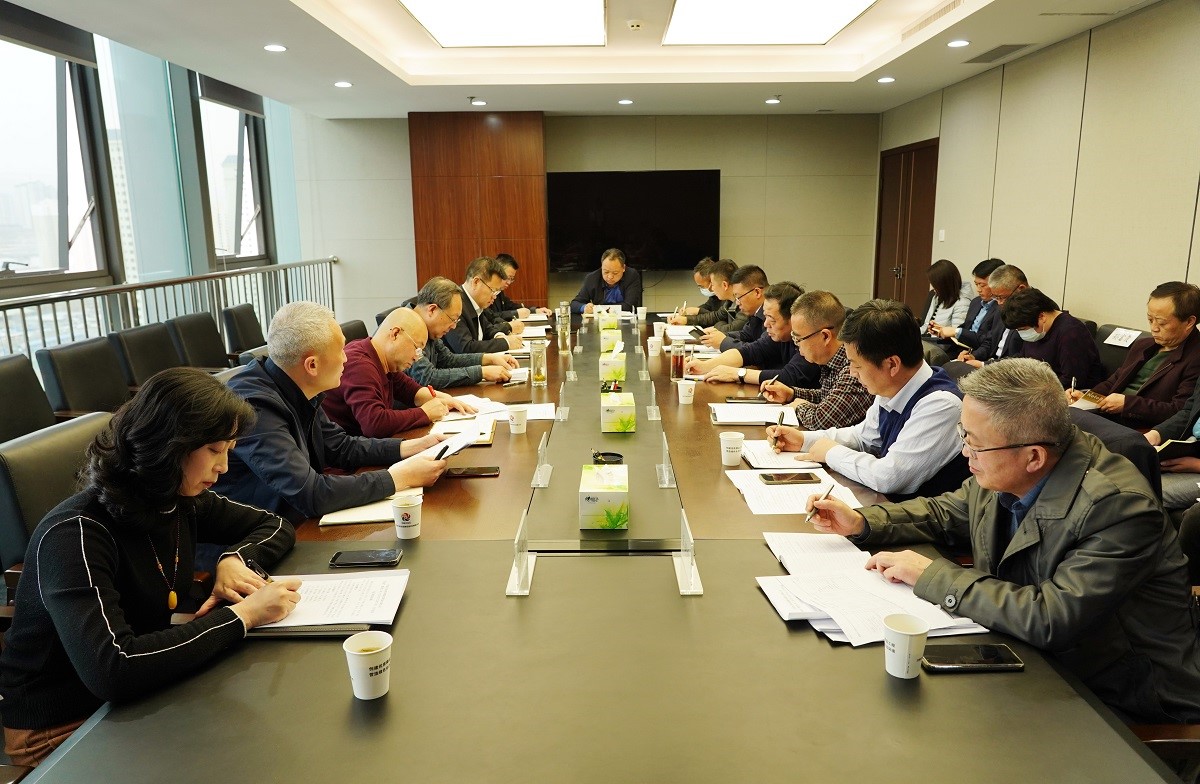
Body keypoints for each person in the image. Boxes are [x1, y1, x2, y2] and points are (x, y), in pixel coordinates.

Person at [807, 358, 1200, 724]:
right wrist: (862, 521)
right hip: (1037, 661)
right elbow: (947, 511)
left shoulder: (1117, 508)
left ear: (1034, 457)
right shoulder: (1009, 466)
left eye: (975, 443)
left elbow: (1051, 617)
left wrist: (932, 575)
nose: (965, 451)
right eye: (963, 434)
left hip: (1124, 694)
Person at [0, 368, 302, 766]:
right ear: (170, 446)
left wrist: (235, 559)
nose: (224, 467)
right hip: (64, 724)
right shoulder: (75, 533)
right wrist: (243, 616)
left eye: (229, 449)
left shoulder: (176, 497)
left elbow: (275, 524)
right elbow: (113, 668)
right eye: (215, 450)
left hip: (139, 690)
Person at [215, 301, 447, 522]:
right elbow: (310, 493)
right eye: (340, 350)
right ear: (312, 365)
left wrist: (413, 446)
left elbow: (340, 446)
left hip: (291, 520)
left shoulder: (299, 385)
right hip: (256, 537)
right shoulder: (255, 406)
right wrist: (400, 477)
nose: (346, 358)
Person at [766, 299, 968, 500]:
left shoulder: (941, 406)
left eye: (856, 365)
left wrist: (831, 452)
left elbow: (889, 476)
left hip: (918, 517)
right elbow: (862, 438)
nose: (851, 373)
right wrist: (804, 440)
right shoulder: (893, 387)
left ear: (892, 364)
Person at [323, 307, 475, 438]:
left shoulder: (383, 359)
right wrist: (425, 413)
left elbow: (411, 391)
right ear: (395, 334)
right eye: (417, 348)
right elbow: (374, 424)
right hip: (347, 455)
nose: (417, 357)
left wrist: (446, 400)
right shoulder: (360, 364)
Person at [1071, 281, 1200, 429]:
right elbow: (1114, 381)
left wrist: (1128, 404)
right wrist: (1086, 398)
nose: (1154, 328)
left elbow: (1179, 412)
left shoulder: (1195, 358)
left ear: (1189, 322)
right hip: (1108, 417)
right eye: (1150, 319)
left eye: (1161, 323)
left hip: (1141, 427)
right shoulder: (1143, 345)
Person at [760, 290, 874, 430]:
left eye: (799, 338)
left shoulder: (853, 368)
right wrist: (792, 394)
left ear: (825, 336)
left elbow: (822, 420)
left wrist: (799, 406)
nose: (796, 344)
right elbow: (828, 397)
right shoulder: (832, 361)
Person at [685, 283, 819, 389]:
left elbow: (790, 377)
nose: (765, 324)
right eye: (765, 317)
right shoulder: (778, 336)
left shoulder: (810, 341)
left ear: (793, 319)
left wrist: (738, 374)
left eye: (772, 319)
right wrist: (705, 366)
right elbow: (749, 351)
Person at [404, 276, 518, 389]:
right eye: (452, 319)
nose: (454, 326)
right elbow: (426, 377)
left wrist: (490, 359)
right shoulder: (407, 328)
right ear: (432, 310)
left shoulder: (428, 328)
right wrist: (481, 372)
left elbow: (448, 360)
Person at [1002, 288, 1105, 389]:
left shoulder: (1071, 333)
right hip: (1037, 387)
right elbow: (1023, 359)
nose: (1022, 333)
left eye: (1023, 329)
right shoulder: (1038, 329)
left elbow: (1071, 380)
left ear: (1041, 316)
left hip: (1066, 393)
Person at [950, 263, 1029, 370]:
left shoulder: (1033, 312)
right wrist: (973, 356)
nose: (999, 303)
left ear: (1021, 289)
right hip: (990, 364)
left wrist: (984, 365)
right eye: (996, 298)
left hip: (1009, 371)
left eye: (1002, 297)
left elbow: (1021, 358)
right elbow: (989, 342)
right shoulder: (1002, 306)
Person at [443, 256, 523, 355]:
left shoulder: (475, 302)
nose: (494, 296)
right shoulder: (455, 303)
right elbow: (466, 348)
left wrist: (499, 336)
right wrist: (505, 343)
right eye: (493, 290)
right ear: (476, 282)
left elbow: (487, 329)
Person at [928, 258, 1005, 350]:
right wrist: (942, 331)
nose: (978, 290)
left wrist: (955, 331)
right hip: (962, 349)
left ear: (996, 284)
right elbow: (964, 329)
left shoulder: (1001, 307)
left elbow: (987, 342)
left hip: (978, 353)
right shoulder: (976, 302)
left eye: (982, 285)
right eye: (976, 284)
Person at [667, 258, 748, 334]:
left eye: (713, 284)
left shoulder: (744, 302)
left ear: (724, 285)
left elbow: (732, 329)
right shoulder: (729, 301)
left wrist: (717, 326)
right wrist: (686, 320)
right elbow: (715, 317)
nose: (712, 288)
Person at [699, 264, 768, 350]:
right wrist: (719, 336)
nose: (737, 303)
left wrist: (723, 342)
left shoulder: (772, 313)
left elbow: (760, 349)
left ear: (757, 292)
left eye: (739, 297)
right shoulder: (756, 312)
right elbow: (745, 334)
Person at [919, 259, 971, 359]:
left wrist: (939, 331)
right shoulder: (937, 297)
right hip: (930, 341)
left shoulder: (962, 303)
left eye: (935, 284)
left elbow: (957, 334)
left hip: (944, 347)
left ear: (944, 284)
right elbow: (925, 325)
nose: (933, 288)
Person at [570, 248, 643, 314]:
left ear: (623, 268)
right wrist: (584, 308)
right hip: (600, 321)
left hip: (626, 321)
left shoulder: (632, 275)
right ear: (601, 267)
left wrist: (598, 309)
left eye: (615, 273)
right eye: (606, 272)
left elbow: (630, 306)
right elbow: (574, 304)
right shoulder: (592, 278)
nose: (610, 277)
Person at [488, 253, 552, 321]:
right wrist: (516, 313)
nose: (509, 282)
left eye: (511, 279)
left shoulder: (499, 292)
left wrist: (534, 310)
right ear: (497, 272)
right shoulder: (486, 291)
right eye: (507, 277)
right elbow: (489, 317)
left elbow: (511, 306)